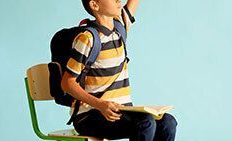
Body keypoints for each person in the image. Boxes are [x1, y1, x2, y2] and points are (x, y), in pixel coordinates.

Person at [61, 0, 177, 140]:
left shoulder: (120, 28)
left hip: (121, 111)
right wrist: (100, 105)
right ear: (94, 5)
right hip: (90, 115)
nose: (118, 0)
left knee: (168, 122)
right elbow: (67, 83)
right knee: (145, 123)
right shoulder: (87, 39)